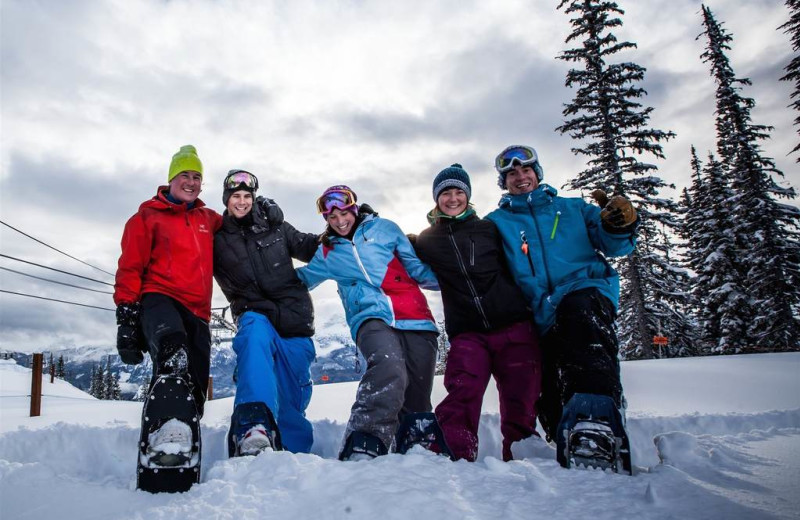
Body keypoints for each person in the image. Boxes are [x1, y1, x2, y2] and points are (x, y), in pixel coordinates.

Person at [484, 145, 638, 469]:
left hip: (583, 289)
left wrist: (618, 224)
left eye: (525, 170)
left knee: (582, 326)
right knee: (545, 384)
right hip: (538, 312)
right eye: (511, 173)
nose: (519, 177)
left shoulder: (572, 209)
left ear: (537, 174)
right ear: (504, 181)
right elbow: (471, 255)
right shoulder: (496, 224)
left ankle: (596, 420)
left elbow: (616, 245)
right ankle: (564, 432)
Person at [297, 185, 441, 461]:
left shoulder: (385, 229)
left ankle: (416, 442)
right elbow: (301, 279)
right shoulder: (328, 252)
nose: (339, 222)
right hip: (369, 316)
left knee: (418, 390)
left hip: (416, 317)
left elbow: (417, 269)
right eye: (331, 217)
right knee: (388, 366)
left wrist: (456, 280)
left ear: (354, 208)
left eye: (343, 214)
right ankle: (365, 438)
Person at [412, 164, 542, 462]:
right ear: (436, 198)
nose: (453, 198)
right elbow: (405, 260)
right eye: (446, 193)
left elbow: (522, 260)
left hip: (514, 325)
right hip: (468, 331)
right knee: (462, 390)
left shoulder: (489, 228)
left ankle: (523, 454)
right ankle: (454, 453)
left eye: (459, 192)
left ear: (468, 197)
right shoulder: (427, 240)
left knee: (520, 396)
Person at [114, 144, 222, 463]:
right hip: (158, 298)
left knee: (195, 387)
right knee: (174, 354)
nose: (191, 182)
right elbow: (130, 267)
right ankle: (165, 430)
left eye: (197, 176)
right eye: (184, 175)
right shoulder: (146, 217)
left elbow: (240, 224)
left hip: (198, 311)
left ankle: (181, 432)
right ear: (171, 179)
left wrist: (263, 213)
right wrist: (127, 319)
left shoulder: (208, 219)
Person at [213, 170, 320, 456]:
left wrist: (349, 227)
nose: (242, 202)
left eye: (247, 196)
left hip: (294, 320)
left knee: (291, 403)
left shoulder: (275, 226)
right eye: (236, 196)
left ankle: (297, 456)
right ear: (226, 199)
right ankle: (253, 425)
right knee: (254, 336)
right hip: (254, 313)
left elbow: (310, 247)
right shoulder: (217, 238)